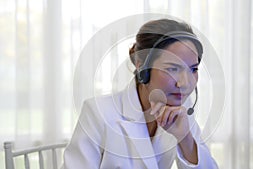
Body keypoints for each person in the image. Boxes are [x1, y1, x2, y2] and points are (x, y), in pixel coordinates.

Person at [63, 19, 218, 169]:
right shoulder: (98, 112)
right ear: (142, 68)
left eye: (193, 69)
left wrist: (185, 139)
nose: (185, 83)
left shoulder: (182, 110)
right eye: (172, 69)